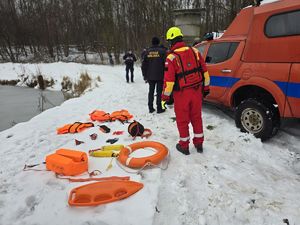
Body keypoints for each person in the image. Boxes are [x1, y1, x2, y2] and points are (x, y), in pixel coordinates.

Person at [161, 27, 210, 155]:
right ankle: (199, 144)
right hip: (197, 90)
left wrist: (164, 98)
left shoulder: (171, 58)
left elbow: (169, 82)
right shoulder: (195, 51)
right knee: (196, 118)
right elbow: (205, 72)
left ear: (171, 41)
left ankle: (184, 146)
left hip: (182, 94)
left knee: (182, 120)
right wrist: (205, 89)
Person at [142, 37, 167, 113]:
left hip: (150, 75)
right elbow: (166, 64)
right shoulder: (162, 51)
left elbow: (144, 65)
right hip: (160, 75)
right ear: (158, 42)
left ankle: (150, 107)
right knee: (159, 92)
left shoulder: (147, 52)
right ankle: (159, 108)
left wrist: (145, 76)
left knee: (151, 92)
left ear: (152, 42)